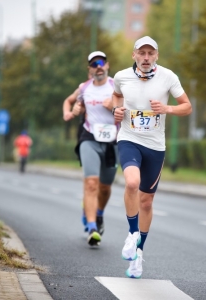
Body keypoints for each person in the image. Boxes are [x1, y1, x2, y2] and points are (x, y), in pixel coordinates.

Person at [112, 36, 192, 278]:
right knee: (132, 183)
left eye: (150, 53)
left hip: (155, 146)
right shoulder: (121, 76)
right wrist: (116, 110)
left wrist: (167, 109)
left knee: (146, 202)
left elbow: (187, 106)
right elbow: (116, 96)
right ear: (134, 55)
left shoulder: (168, 77)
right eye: (142, 53)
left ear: (156, 55)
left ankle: (138, 254)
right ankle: (132, 233)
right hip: (129, 139)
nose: (146, 57)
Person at [63, 51, 118, 247]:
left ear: (107, 65)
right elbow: (68, 101)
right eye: (94, 64)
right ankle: (92, 228)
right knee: (91, 184)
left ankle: (99, 214)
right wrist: (71, 112)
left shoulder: (116, 86)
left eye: (101, 62)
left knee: (105, 187)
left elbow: (128, 111)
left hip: (113, 141)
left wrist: (114, 107)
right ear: (90, 69)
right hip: (89, 138)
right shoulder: (84, 88)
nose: (98, 66)